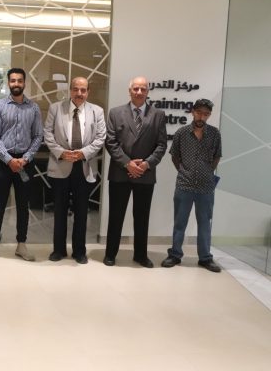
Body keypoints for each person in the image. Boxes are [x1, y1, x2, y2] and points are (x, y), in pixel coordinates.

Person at [104, 76, 167, 268]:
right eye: (136, 88)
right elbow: (111, 142)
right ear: (129, 90)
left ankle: (140, 255)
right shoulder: (115, 113)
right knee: (116, 216)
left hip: (145, 174)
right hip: (120, 173)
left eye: (143, 89)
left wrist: (146, 164)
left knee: (142, 217)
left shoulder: (158, 114)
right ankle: (110, 254)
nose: (139, 92)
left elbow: (161, 145)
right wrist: (127, 163)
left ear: (148, 91)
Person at [43, 77, 106, 263]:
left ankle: (79, 251)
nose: (79, 93)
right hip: (60, 165)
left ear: (88, 92)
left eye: (83, 90)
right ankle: (59, 250)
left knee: (81, 212)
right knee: (60, 211)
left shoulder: (97, 111)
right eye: (76, 89)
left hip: (84, 167)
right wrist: (61, 153)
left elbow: (100, 138)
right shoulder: (55, 108)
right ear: (70, 90)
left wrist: (83, 153)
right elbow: (48, 134)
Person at [0, 68, 43, 262]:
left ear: (24, 83)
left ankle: (21, 245)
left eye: (19, 80)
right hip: (3, 163)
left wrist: (25, 159)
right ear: (8, 82)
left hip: (25, 163)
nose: (16, 84)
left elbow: (38, 136)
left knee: (23, 206)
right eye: (13, 80)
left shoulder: (33, 108)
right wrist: (9, 159)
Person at [161, 99, 222, 272]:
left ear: (209, 115)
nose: (202, 117)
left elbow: (217, 156)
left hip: (206, 187)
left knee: (204, 223)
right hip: (184, 185)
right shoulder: (181, 133)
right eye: (199, 112)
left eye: (206, 114)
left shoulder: (214, 134)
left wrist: (207, 172)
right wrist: (184, 171)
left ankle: (205, 258)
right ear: (193, 112)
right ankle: (175, 255)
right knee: (179, 222)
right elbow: (174, 156)